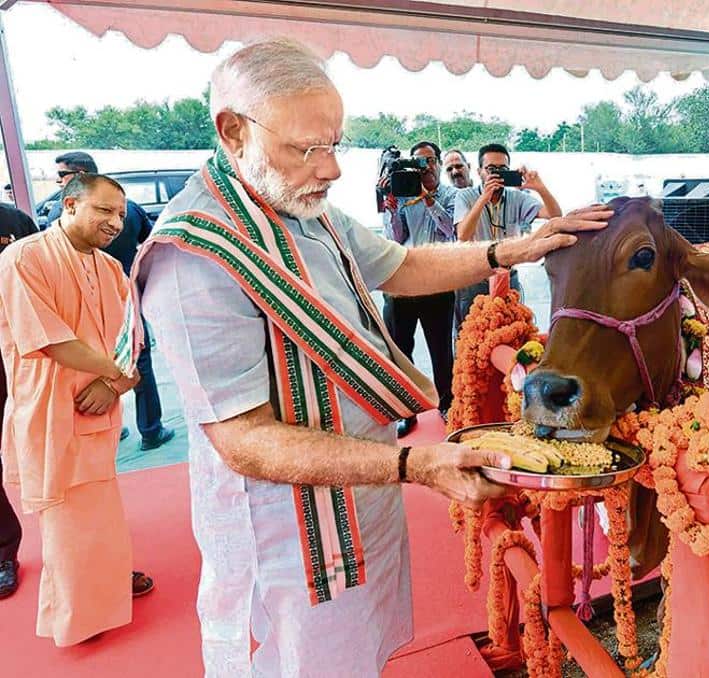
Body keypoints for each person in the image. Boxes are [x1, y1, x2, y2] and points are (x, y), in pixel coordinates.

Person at [129, 39, 609, 677]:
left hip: (367, 486)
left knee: (359, 656)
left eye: (335, 144)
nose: (330, 169)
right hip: (290, 532)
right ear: (233, 131)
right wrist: (413, 463)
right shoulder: (195, 258)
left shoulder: (302, 206)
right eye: (308, 148)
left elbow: (402, 264)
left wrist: (510, 251)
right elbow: (243, 440)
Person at [0, 174, 153, 646]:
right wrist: (114, 374)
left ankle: (105, 581)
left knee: (101, 504)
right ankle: (79, 614)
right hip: (52, 408)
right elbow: (47, 337)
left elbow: (134, 339)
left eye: (120, 215)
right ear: (69, 205)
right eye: (103, 211)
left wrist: (117, 383)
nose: (114, 222)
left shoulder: (111, 269)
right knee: (66, 515)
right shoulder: (23, 257)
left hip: (100, 406)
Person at [48, 152, 175, 451]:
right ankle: (149, 429)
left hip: (106, 303)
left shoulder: (64, 217)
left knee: (120, 362)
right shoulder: (130, 210)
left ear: (78, 174)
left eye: (62, 176)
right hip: (119, 301)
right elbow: (152, 241)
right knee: (131, 361)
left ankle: (120, 427)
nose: (114, 223)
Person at [381, 140, 457, 436]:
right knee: (399, 350)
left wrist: (426, 197)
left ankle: (448, 404)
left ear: (437, 163)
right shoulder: (402, 193)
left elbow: (452, 229)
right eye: (417, 162)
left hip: (438, 281)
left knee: (441, 351)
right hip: (403, 282)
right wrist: (390, 207)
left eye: (428, 161)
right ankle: (406, 409)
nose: (423, 168)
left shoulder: (452, 195)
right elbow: (396, 238)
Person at [453, 143, 562, 331]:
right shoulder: (465, 196)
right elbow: (463, 235)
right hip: (474, 279)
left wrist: (540, 188)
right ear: (479, 172)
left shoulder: (516, 198)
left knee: (510, 333)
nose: (496, 174)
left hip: (507, 277)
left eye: (502, 169)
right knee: (471, 339)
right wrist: (484, 198)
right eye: (490, 169)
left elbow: (555, 216)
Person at [0, 201, 37, 599]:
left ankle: (83, 554)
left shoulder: (13, 219)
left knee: (53, 449)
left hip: (25, 355)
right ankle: (3, 551)